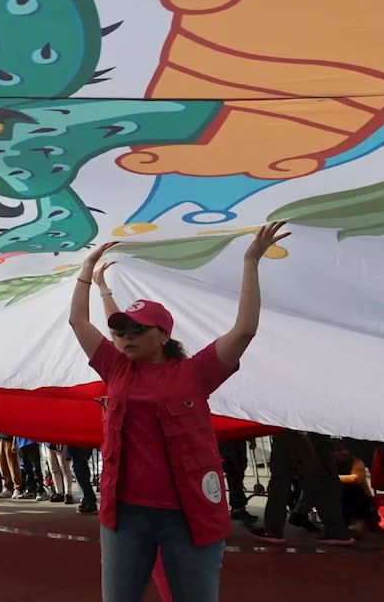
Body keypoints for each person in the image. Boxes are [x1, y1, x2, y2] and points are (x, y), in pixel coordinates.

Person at [68, 223, 289, 602]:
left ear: (165, 335)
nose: (127, 335)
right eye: (122, 330)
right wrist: (88, 272)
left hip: (188, 513)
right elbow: (78, 321)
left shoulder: (194, 373)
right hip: (125, 514)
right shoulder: (116, 367)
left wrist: (251, 261)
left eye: (139, 329)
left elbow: (245, 330)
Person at [250, 431, 353, 546]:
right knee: (312, 481)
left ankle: (273, 529)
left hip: (289, 431)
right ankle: (335, 529)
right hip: (301, 432)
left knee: (282, 482)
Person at [333, 441, 375, 533]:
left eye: (346, 449)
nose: (344, 452)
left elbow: (356, 478)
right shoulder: (331, 464)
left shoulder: (357, 462)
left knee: (351, 488)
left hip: (361, 499)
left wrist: (332, 479)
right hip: (339, 497)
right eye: (339, 450)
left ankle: (358, 521)